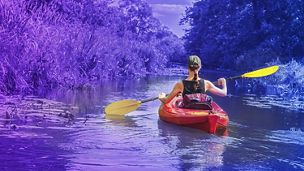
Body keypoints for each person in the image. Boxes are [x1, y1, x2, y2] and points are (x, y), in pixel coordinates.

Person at [158, 55, 227, 104]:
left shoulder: (179, 84)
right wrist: (224, 82)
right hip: (201, 110)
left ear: (187, 67)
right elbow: (224, 93)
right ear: (200, 67)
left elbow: (166, 101)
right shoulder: (206, 83)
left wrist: (161, 96)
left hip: (187, 110)